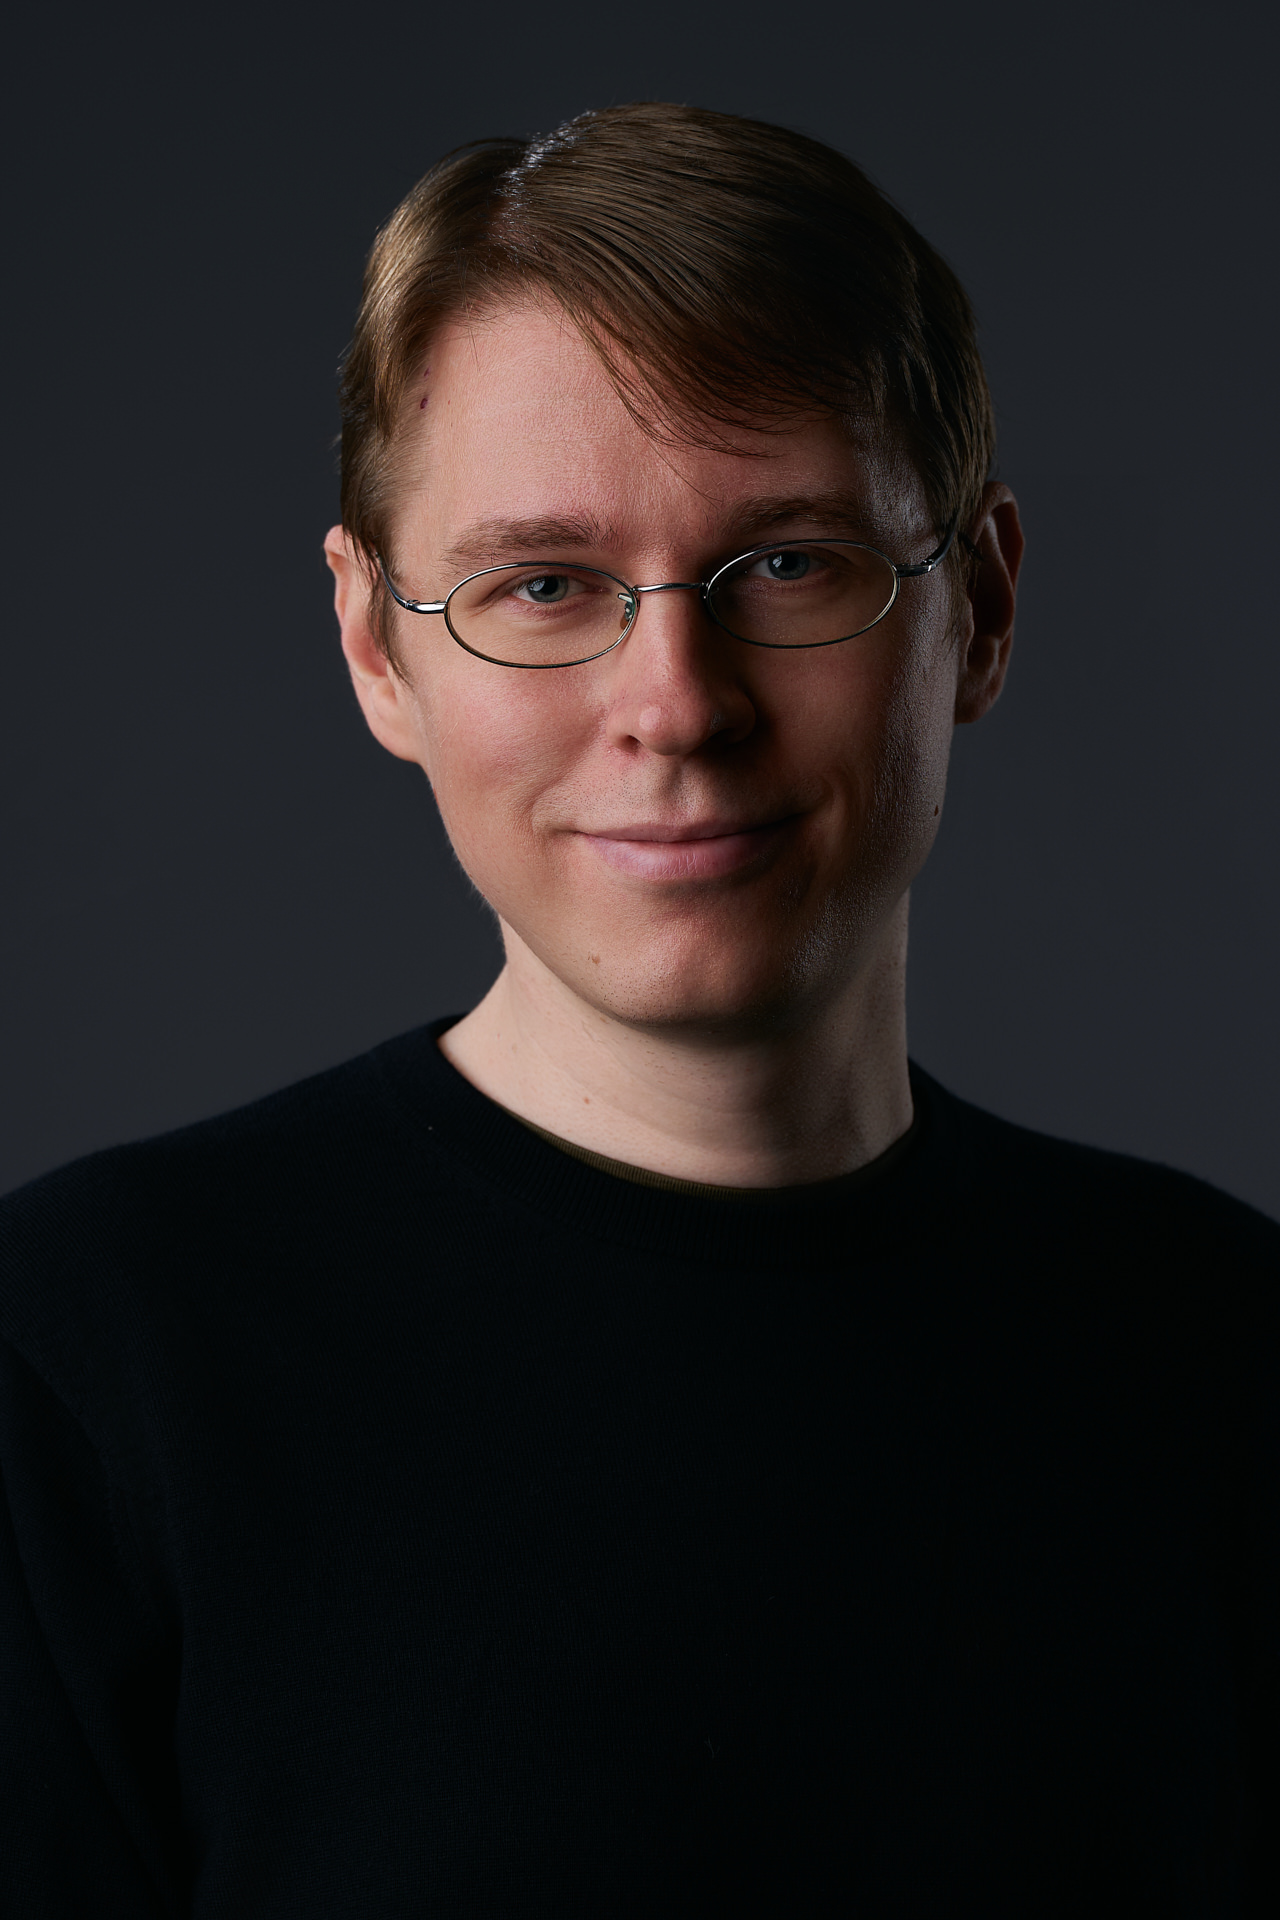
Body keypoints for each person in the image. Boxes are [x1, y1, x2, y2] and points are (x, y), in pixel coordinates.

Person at [1, 102, 1276, 1918]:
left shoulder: (1230, 1361)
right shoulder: (80, 1371)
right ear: (376, 647)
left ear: (981, 608)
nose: (675, 703)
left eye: (790, 565)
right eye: (542, 585)